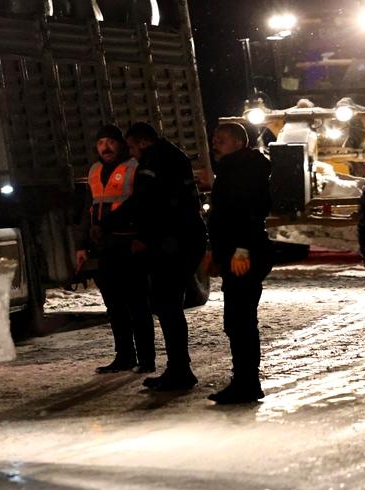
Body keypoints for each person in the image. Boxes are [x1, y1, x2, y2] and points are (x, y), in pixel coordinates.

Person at [111, 122, 207, 392]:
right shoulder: (171, 155)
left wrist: (124, 228)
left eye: (131, 147)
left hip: (173, 241)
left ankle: (180, 370)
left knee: (167, 305)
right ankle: (179, 368)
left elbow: (149, 204)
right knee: (168, 305)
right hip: (181, 238)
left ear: (142, 142)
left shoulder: (156, 161)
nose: (131, 153)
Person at [75, 125, 154, 374]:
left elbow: (145, 205)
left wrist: (144, 237)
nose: (105, 147)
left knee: (138, 305)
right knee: (115, 306)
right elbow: (89, 210)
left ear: (121, 144)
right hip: (106, 247)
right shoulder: (95, 171)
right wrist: (82, 245)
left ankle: (146, 358)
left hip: (130, 246)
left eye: (110, 142)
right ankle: (124, 356)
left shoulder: (134, 167)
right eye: (100, 143)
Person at [206, 121, 273, 404]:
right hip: (234, 253)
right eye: (214, 138)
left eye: (221, 139)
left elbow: (250, 211)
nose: (214, 143)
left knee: (241, 321)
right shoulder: (234, 168)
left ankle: (246, 383)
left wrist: (242, 249)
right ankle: (244, 380)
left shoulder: (246, 170)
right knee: (237, 321)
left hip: (244, 254)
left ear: (237, 142)